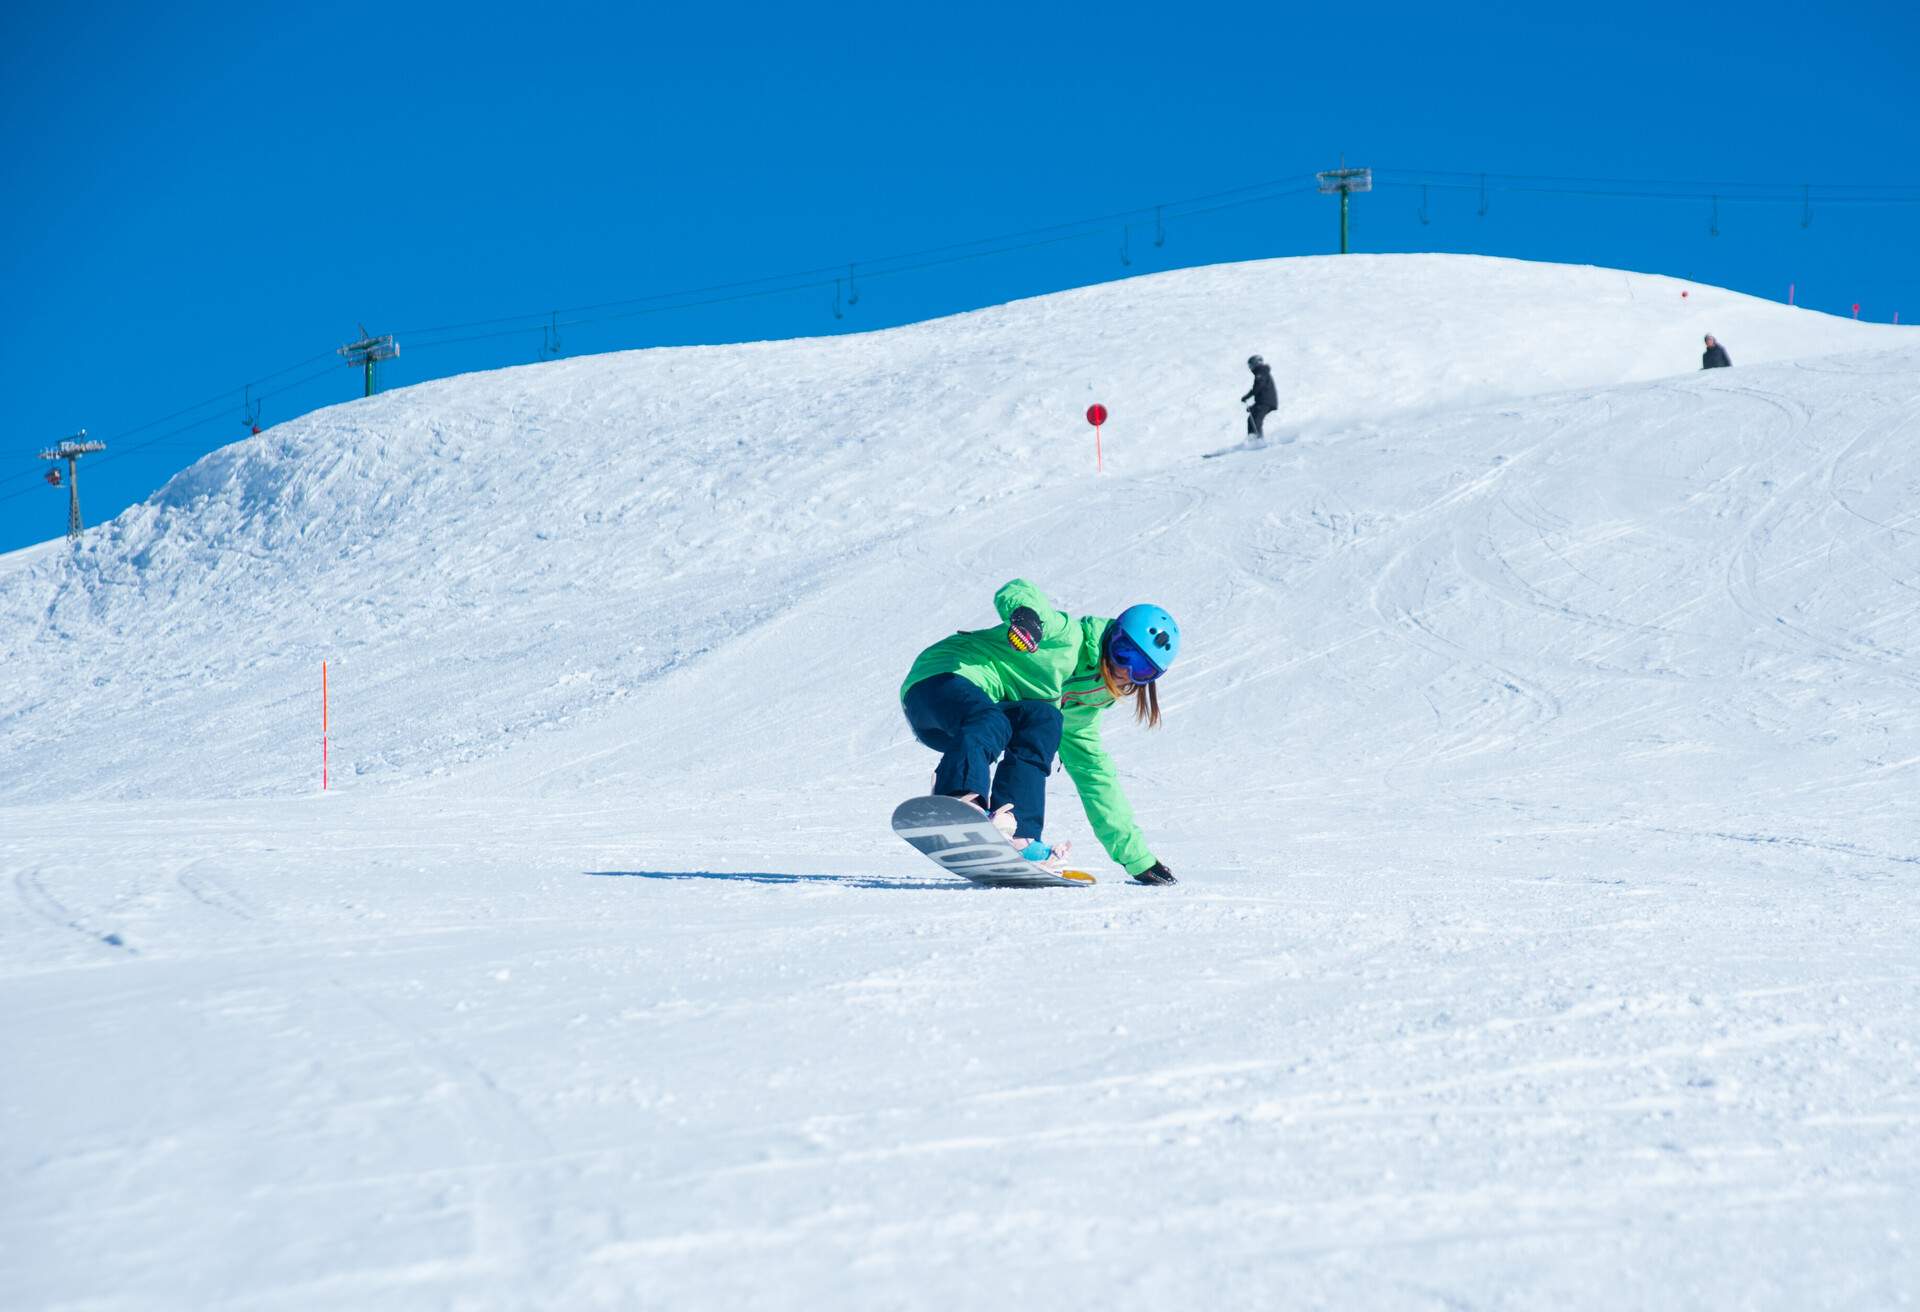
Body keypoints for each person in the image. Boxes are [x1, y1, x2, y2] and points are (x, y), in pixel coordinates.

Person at [900, 579, 1181, 885]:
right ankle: (961, 800)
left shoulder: (1083, 709)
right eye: (1124, 653)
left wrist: (1137, 858)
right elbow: (1018, 590)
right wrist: (1027, 617)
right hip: (939, 682)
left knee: (1046, 720)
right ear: (1111, 637)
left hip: (965, 733)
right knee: (990, 718)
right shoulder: (1067, 637)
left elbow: (1095, 777)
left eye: (1142, 670)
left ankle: (1019, 837)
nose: (1125, 670)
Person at [1241, 355, 1278, 440]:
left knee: (1256, 419)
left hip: (1265, 401)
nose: (1250, 368)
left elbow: (1258, 386)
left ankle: (1257, 440)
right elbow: (1260, 388)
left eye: (1251, 365)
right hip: (1265, 401)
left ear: (1256, 363)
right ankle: (1255, 438)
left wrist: (1247, 396)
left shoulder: (1261, 371)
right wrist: (1253, 406)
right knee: (1252, 418)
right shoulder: (1262, 371)